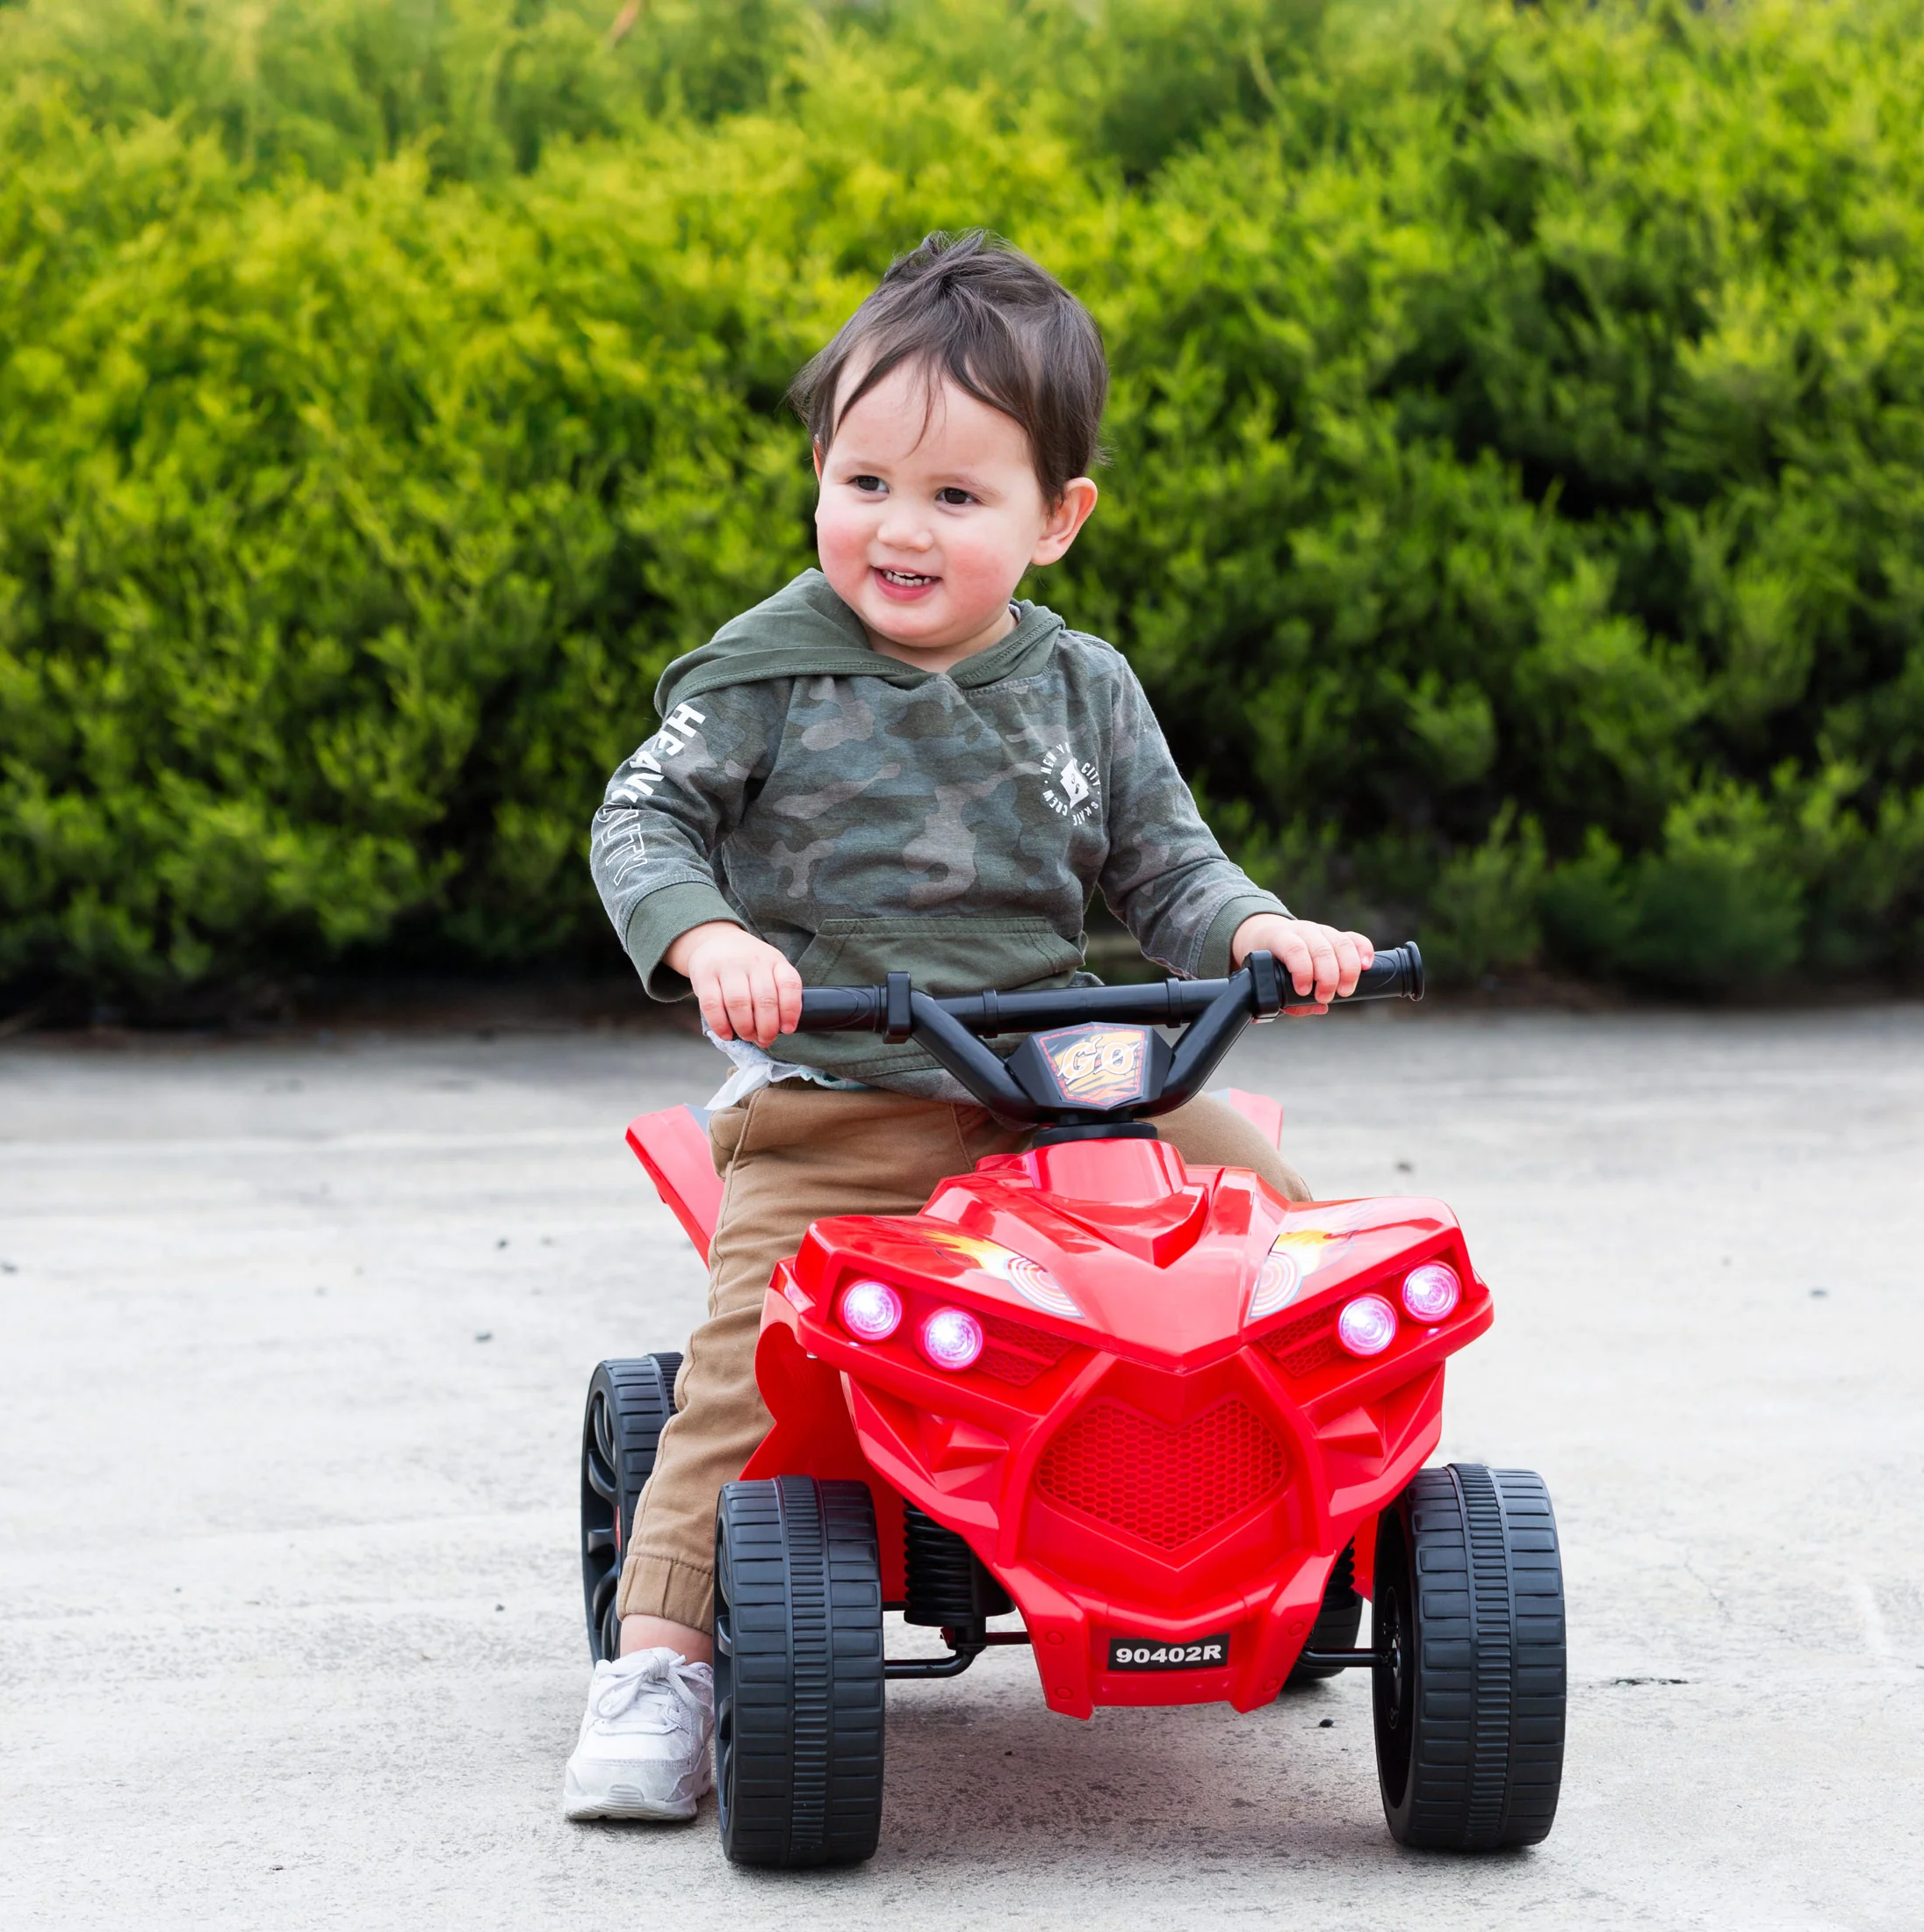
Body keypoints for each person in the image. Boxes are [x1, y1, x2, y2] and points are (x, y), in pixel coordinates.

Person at [562, 230, 1374, 1821]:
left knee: (1292, 1257)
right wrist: (712, 934)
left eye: (955, 497)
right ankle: (660, 1657)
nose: (899, 529)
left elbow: (1172, 869)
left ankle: (1303, 1532)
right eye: (866, 483)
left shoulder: (1086, 690)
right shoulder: (767, 678)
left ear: (1056, 520)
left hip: (1071, 1083)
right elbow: (640, 819)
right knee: (750, 1359)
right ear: (819, 469)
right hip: (846, 1091)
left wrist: (1266, 933)